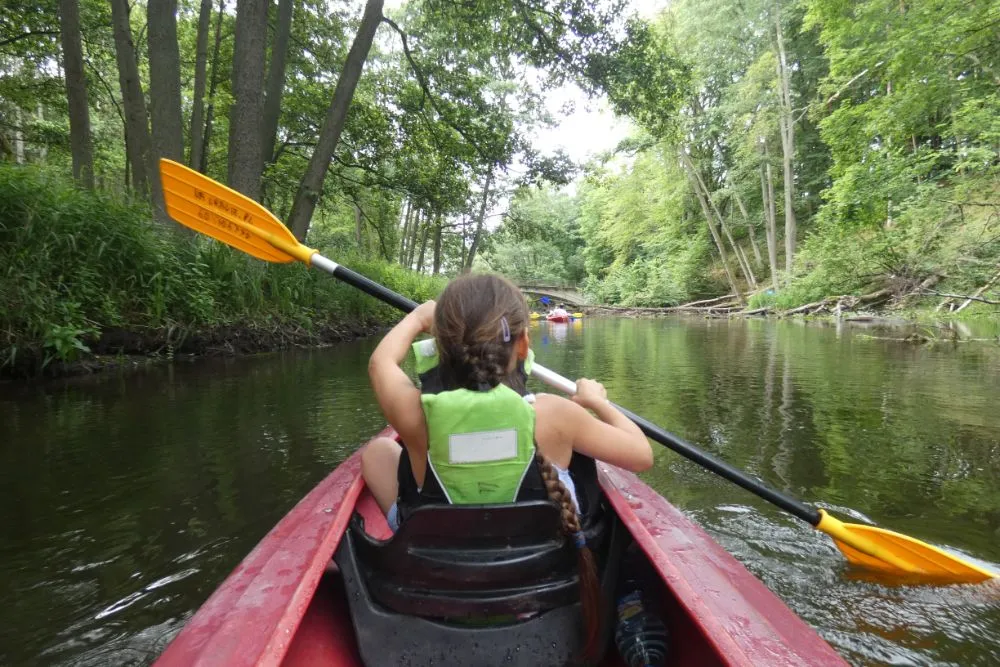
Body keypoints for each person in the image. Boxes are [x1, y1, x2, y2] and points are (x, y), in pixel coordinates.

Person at [362, 273, 652, 657]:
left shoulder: (416, 415)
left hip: (440, 590)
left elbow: (381, 362)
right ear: (523, 344)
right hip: (537, 594)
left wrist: (417, 319)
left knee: (378, 453)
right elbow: (641, 455)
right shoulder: (556, 414)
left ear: (440, 348)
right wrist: (597, 401)